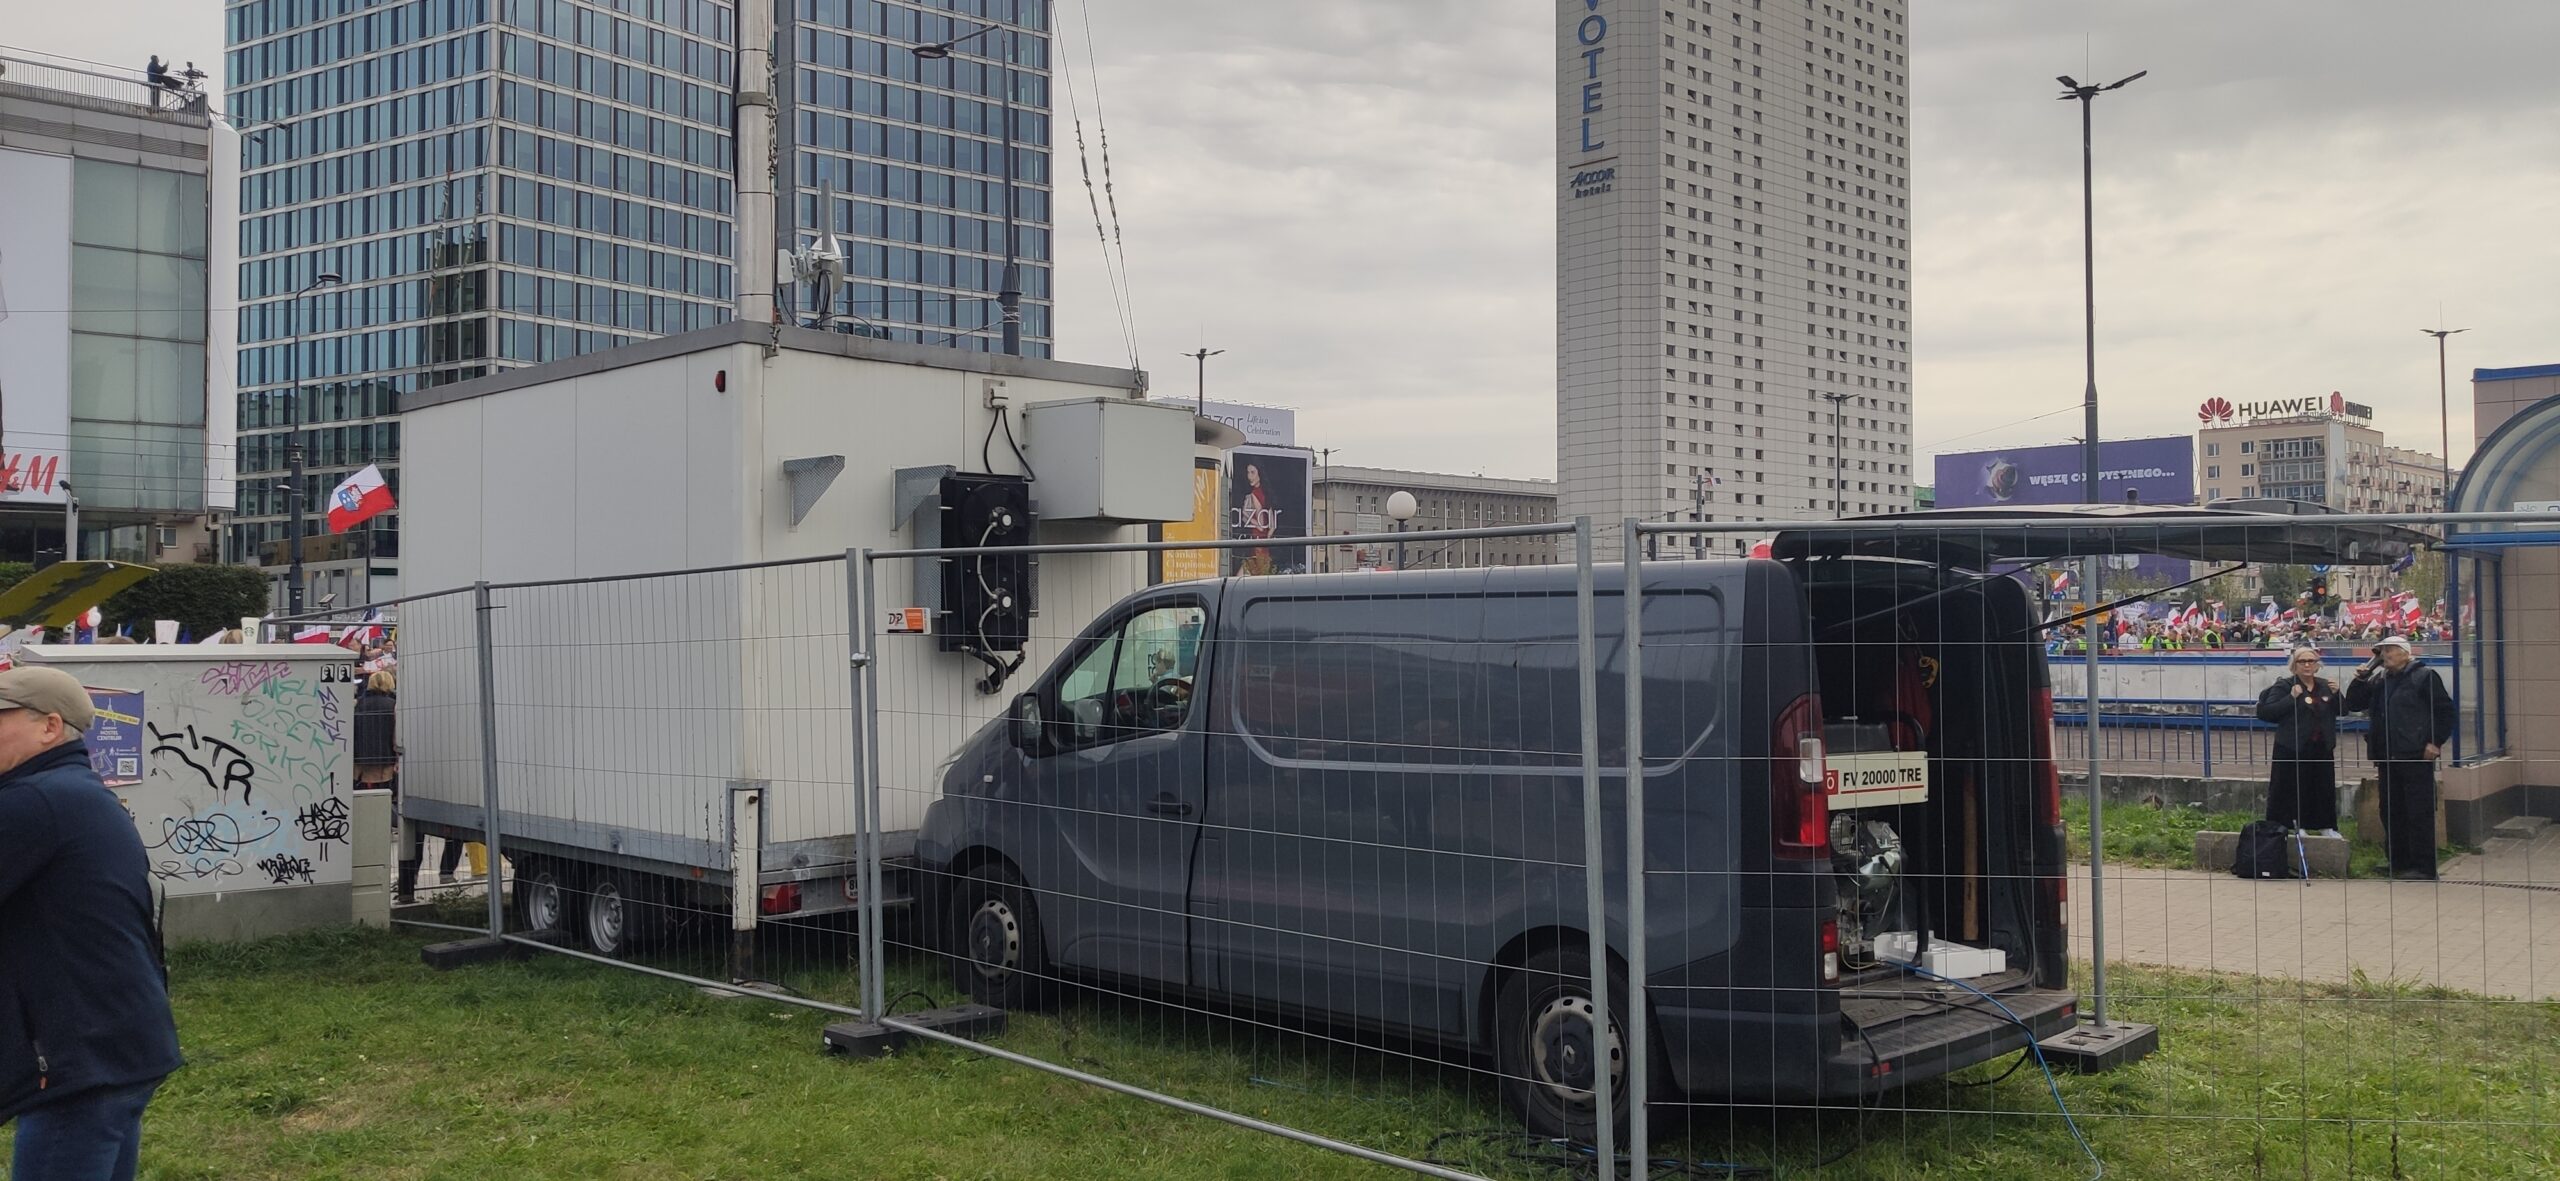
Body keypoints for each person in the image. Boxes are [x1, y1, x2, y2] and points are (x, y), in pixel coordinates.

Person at [0, 666, 183, 1180]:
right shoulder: (75, 790)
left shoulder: (35, 801)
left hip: (80, 1060)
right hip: (119, 1044)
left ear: (50, 727)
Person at [2345, 636, 2457, 881]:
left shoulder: (2424, 677)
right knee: (2391, 810)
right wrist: (2361, 678)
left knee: (2418, 811)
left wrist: (2435, 741)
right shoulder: (2380, 679)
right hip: (2387, 755)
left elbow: (2444, 711)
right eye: (2382, 652)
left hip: (2414, 754)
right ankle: (2398, 861)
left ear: (2405, 653)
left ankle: (2424, 867)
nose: (2385, 656)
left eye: (2390, 650)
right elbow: (2353, 703)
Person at [2256, 648, 2342, 838]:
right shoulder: (2284, 686)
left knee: (2323, 787)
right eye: (2302, 661)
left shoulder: (2325, 685)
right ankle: (2294, 823)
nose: (2307, 665)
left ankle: (2326, 825)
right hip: (2292, 746)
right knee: (2292, 787)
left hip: (2321, 746)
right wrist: (2291, 698)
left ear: (2317, 665)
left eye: (2311, 661)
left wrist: (2337, 694)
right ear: (2294, 666)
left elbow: (2343, 710)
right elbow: (2267, 712)